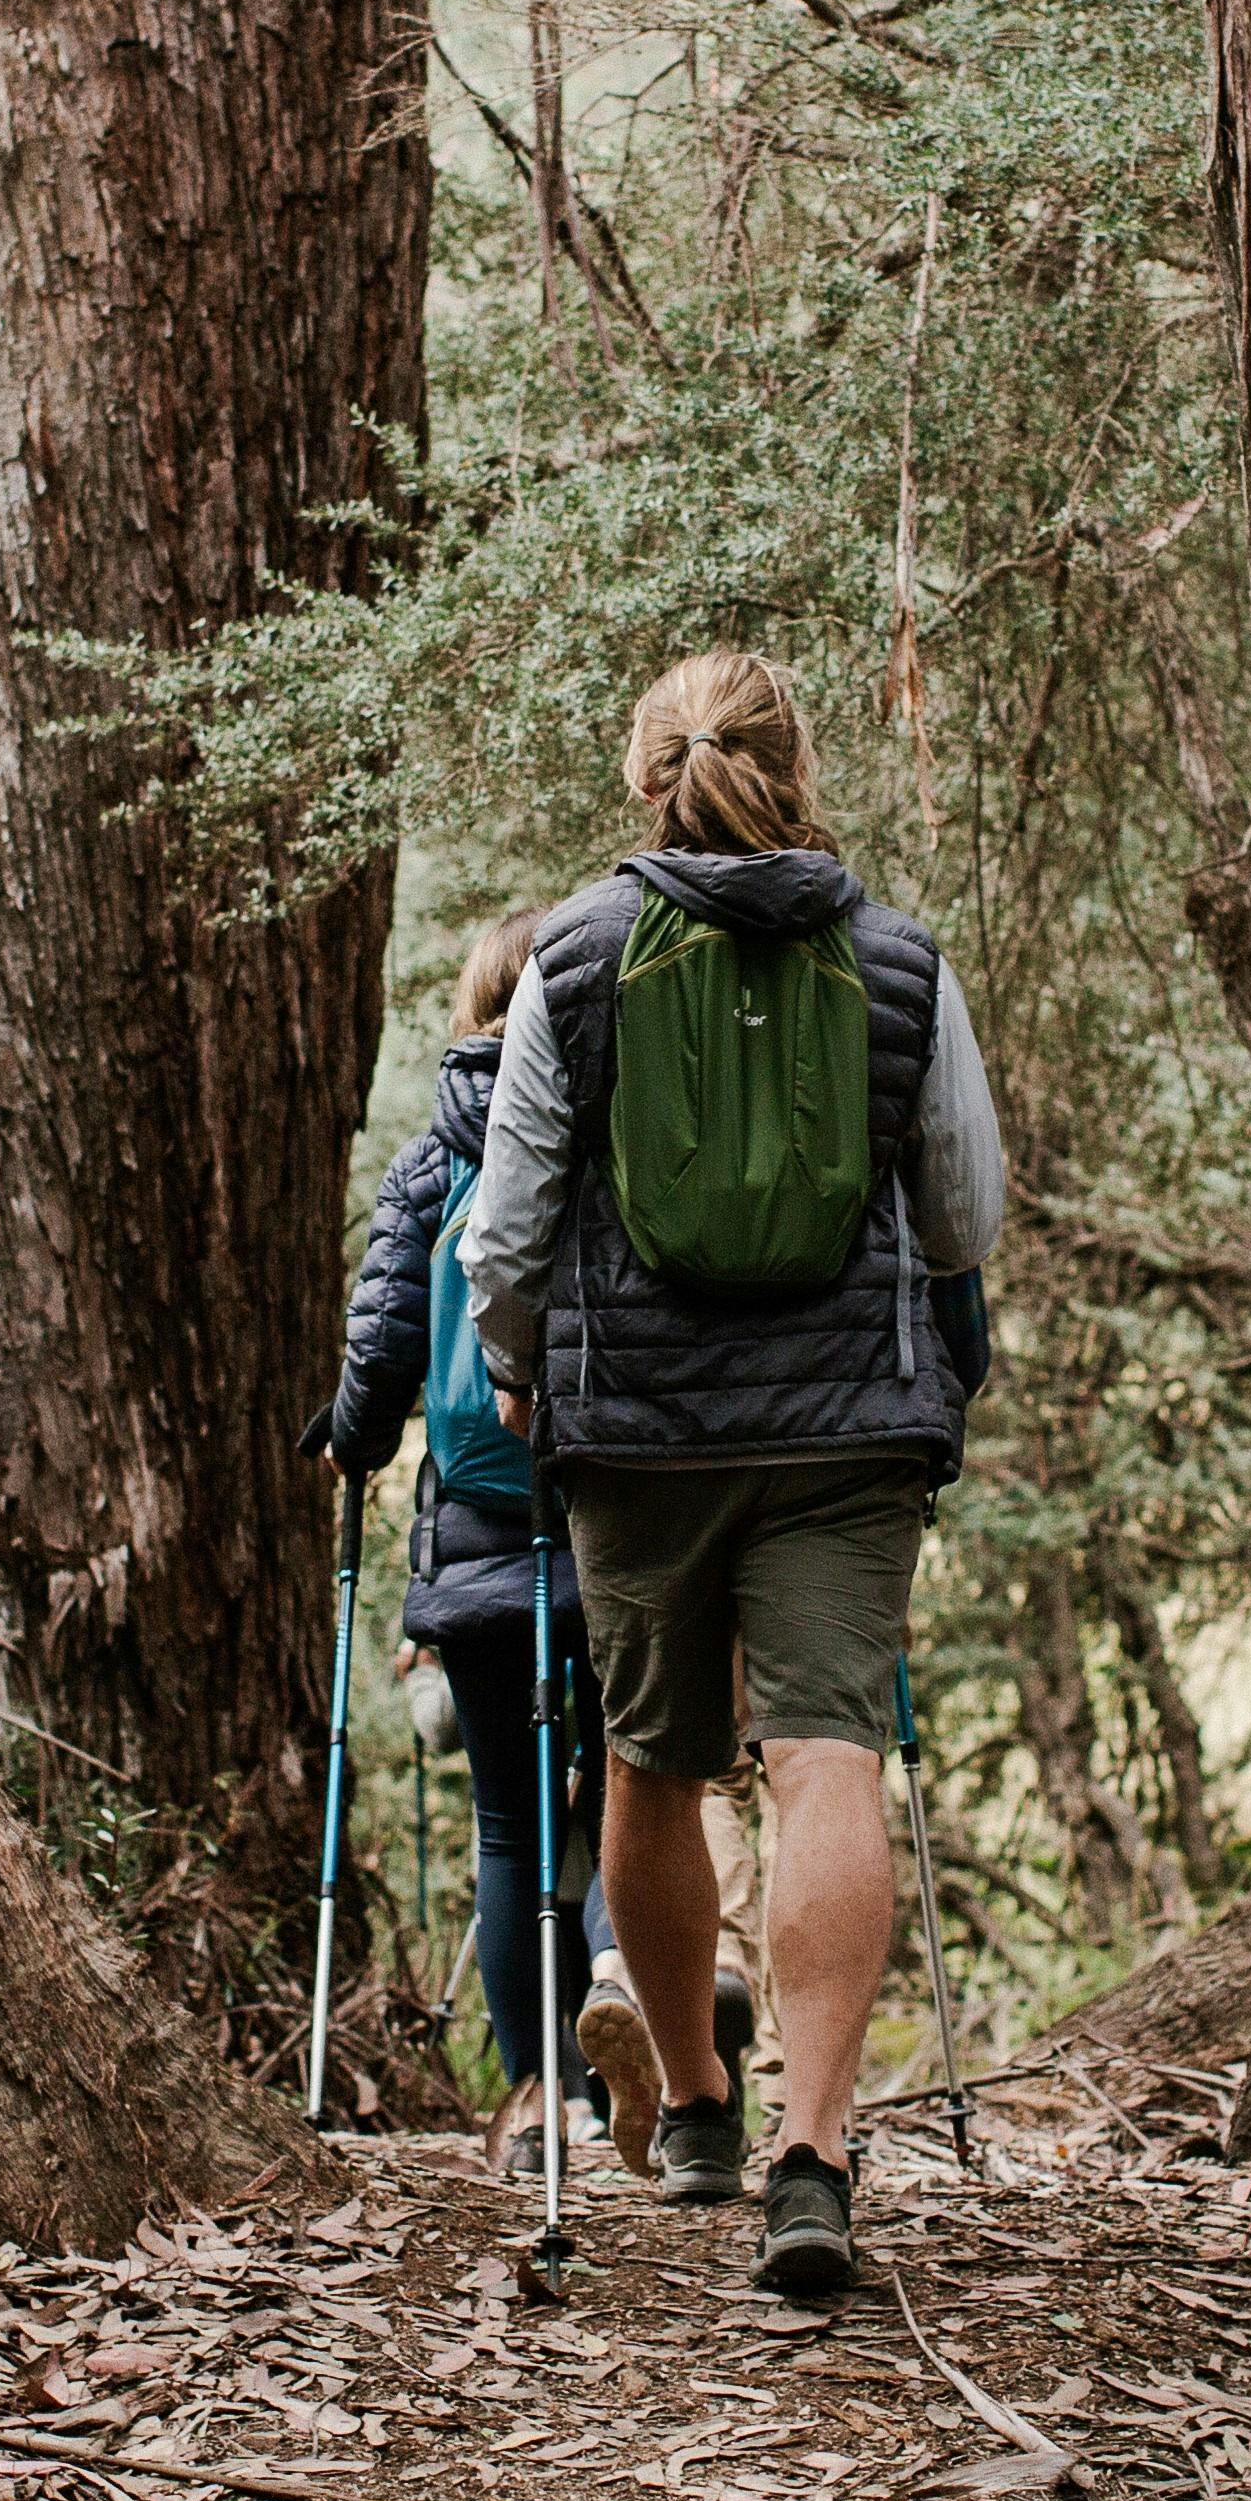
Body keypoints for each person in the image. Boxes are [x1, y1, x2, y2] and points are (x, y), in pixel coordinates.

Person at [461, 649, 1005, 2300]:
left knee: (653, 1759)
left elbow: (512, 1222)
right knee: (825, 1753)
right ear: (795, 763)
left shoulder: (572, 959)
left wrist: (512, 1366)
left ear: (650, 778)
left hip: (636, 1430)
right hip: (847, 1429)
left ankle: (694, 2102)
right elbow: (966, 1211)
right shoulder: (898, 960)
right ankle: (814, 2157)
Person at [313, 914, 753, 2170]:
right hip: (621, 1522)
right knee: (630, 1782)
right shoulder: (617, 1120)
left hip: (479, 1542)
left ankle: (538, 2104)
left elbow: (383, 1348)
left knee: (508, 1825)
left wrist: (346, 1436)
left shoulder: (430, 1155)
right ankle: (627, 1971)